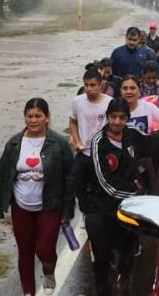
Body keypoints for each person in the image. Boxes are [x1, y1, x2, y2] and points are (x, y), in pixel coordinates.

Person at [77, 99, 159, 296]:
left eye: (122, 118)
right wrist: (133, 193)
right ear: (107, 117)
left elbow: (150, 142)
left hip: (128, 211)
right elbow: (105, 183)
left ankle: (124, 280)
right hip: (102, 211)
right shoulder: (98, 143)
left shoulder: (132, 135)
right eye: (113, 117)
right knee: (102, 262)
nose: (117, 122)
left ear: (127, 119)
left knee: (127, 255)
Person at [0, 98, 74, 296]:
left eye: (38, 116)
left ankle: (48, 269)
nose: (34, 120)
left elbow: (71, 176)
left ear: (47, 118)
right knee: (25, 251)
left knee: (45, 248)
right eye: (29, 116)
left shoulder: (59, 144)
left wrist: (68, 209)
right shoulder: (13, 144)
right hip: (21, 206)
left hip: (50, 205)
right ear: (24, 118)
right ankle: (28, 291)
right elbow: (2, 175)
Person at [69, 69, 113, 218]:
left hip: (101, 154)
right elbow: (73, 122)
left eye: (92, 85)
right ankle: (83, 213)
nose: (88, 88)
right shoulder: (77, 101)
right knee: (75, 183)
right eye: (86, 85)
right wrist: (76, 140)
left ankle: (98, 215)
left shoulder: (109, 102)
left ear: (100, 85)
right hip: (83, 151)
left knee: (99, 186)